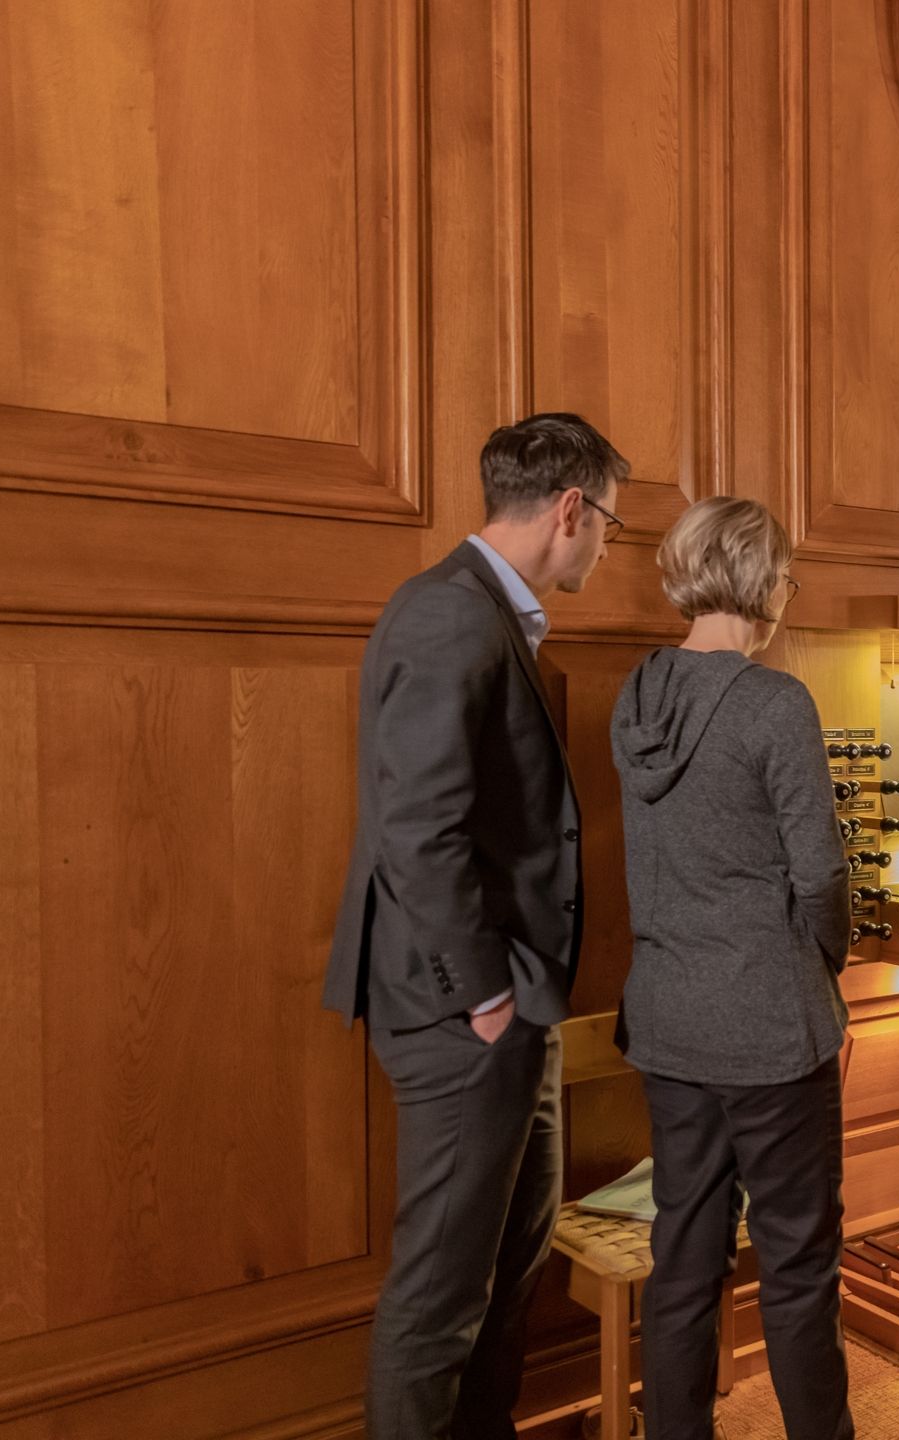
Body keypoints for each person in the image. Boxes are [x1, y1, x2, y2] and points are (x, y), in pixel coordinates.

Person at [323, 413, 627, 1440]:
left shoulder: (480, 611)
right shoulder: (451, 615)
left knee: (509, 1265)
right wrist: (486, 999)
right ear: (570, 511)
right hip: (462, 1008)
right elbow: (419, 830)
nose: (605, 549)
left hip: (507, 1001)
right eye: (609, 528)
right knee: (442, 1293)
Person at [613, 496, 854, 1440]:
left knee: (684, 1254)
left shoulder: (637, 695)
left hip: (668, 1021)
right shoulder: (773, 700)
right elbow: (823, 872)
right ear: (762, 583)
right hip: (767, 1027)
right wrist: (823, 980)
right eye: (786, 577)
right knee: (797, 1264)